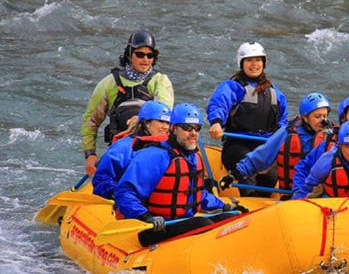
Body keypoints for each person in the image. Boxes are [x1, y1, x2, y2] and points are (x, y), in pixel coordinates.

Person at [114, 103, 247, 246]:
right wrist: (145, 216)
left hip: (182, 221)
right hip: (153, 227)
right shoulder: (154, 156)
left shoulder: (192, 157)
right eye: (187, 128)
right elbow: (125, 192)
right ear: (173, 129)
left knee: (230, 219)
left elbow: (197, 194)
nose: (193, 133)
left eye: (197, 128)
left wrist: (227, 207)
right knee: (203, 224)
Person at [81, 30, 174, 176]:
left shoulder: (160, 81)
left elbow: (163, 111)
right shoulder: (109, 83)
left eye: (150, 56)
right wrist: (90, 154)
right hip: (120, 149)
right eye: (140, 54)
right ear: (130, 54)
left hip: (153, 149)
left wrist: (141, 118)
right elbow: (90, 120)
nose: (145, 59)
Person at [206, 41, 288, 196]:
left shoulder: (276, 93)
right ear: (241, 63)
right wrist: (216, 122)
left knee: (271, 176)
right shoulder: (233, 87)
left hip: (265, 146)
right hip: (237, 144)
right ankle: (249, 202)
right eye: (249, 60)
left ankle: (264, 208)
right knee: (246, 171)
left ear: (263, 63)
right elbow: (219, 104)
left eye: (258, 60)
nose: (254, 64)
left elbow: (282, 123)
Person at [218, 92, 332, 196]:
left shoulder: (331, 136)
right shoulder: (287, 133)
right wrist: (234, 175)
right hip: (291, 193)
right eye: (317, 116)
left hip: (322, 195)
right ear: (305, 118)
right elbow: (262, 155)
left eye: (325, 116)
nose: (323, 121)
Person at [292, 94, 349, 194]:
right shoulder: (328, 146)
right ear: (343, 119)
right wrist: (298, 192)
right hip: (337, 202)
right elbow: (304, 168)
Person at [91, 100, 172, 200]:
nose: (165, 127)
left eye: (168, 123)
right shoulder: (123, 147)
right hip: (128, 203)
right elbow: (102, 179)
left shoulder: (171, 148)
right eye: (161, 121)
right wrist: (118, 195)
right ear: (146, 123)